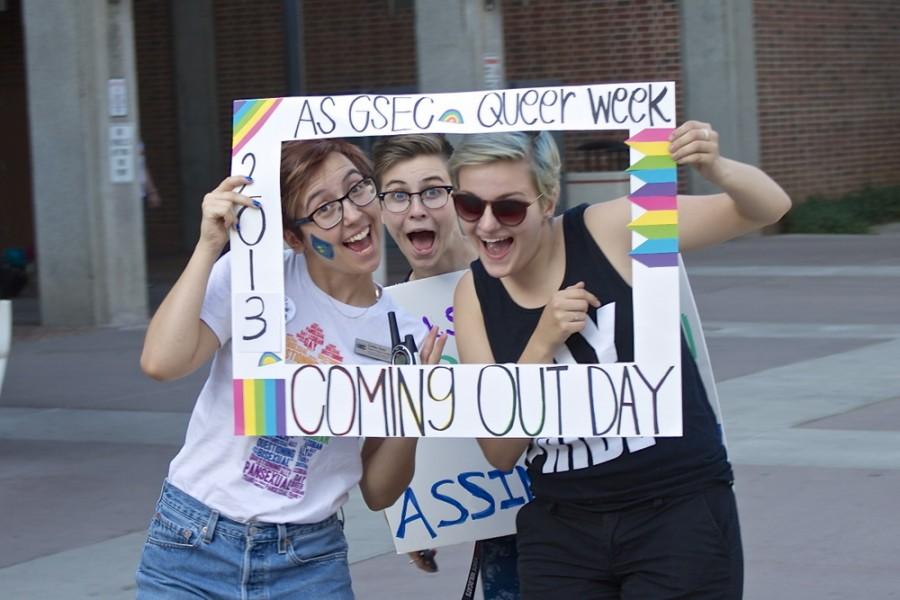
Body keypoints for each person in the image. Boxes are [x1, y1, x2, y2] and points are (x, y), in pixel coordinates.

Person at [451, 123, 791, 599]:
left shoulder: (608, 229)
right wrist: (541, 342)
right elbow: (500, 450)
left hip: (674, 508)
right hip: (562, 526)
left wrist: (716, 167)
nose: (486, 225)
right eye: (469, 205)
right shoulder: (473, 292)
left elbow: (765, 208)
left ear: (547, 201)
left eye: (508, 207)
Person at [136, 138, 447, 598]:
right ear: (293, 236)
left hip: (309, 560)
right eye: (325, 209)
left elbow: (380, 492)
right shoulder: (253, 278)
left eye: (358, 189)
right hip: (192, 541)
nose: (355, 215)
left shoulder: (401, 334)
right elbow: (162, 362)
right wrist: (208, 246)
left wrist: (413, 404)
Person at [373, 133, 519, 599]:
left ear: (461, 200)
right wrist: (415, 518)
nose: (415, 209)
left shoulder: (521, 275)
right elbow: (390, 430)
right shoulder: (386, 322)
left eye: (434, 191)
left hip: (572, 514)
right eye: (397, 195)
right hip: (492, 529)